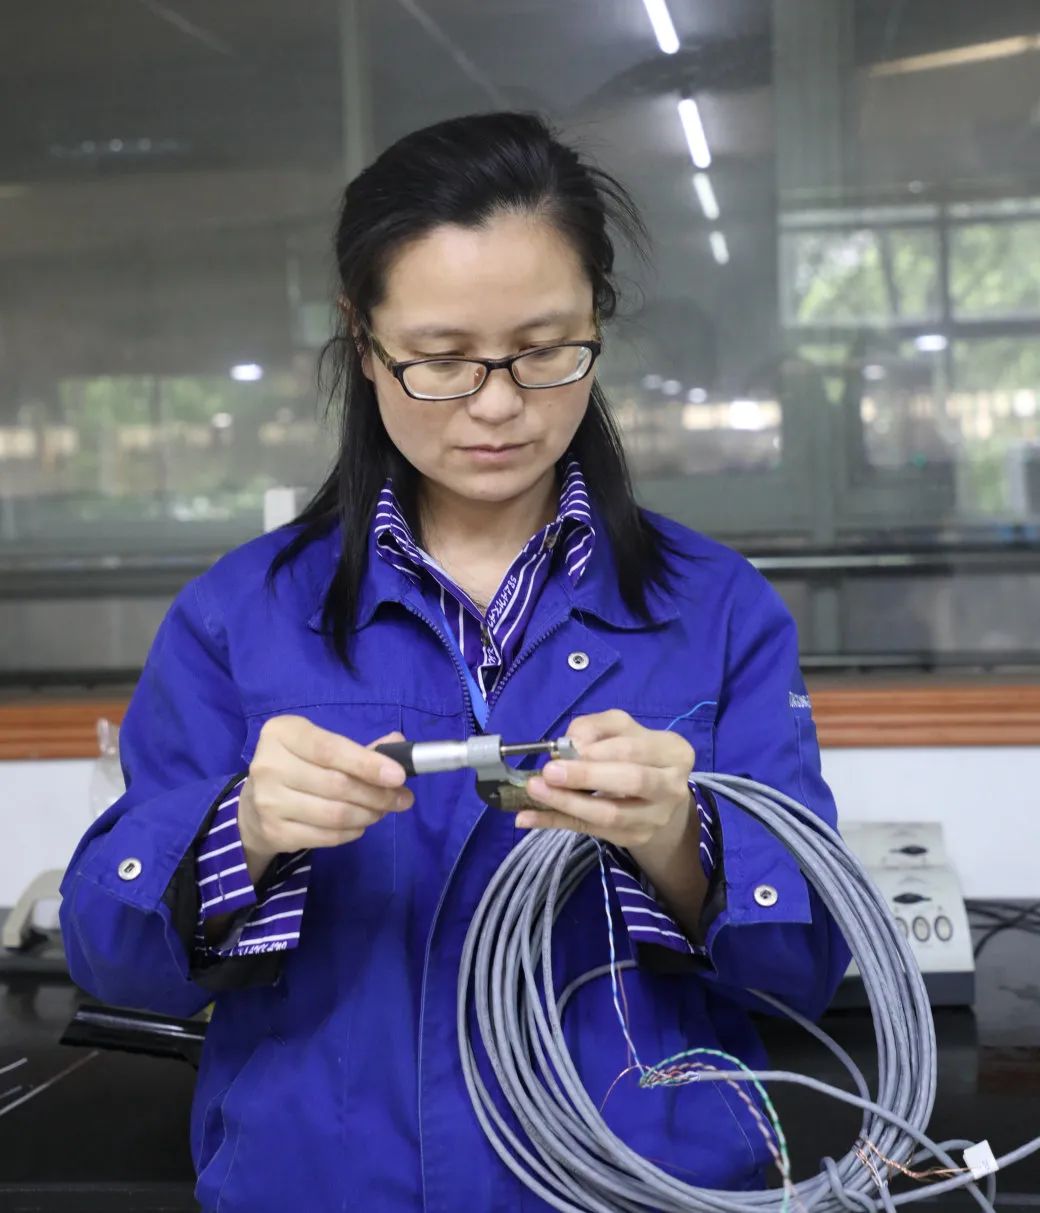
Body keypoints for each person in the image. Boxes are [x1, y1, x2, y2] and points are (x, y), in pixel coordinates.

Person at [60, 112, 850, 1212]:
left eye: (543, 349)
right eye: (439, 359)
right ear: (363, 340)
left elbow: (804, 970)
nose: (497, 402)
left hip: (638, 1190)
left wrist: (680, 836)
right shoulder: (238, 617)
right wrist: (244, 832)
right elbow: (114, 960)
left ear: (597, 319)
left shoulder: (716, 609)